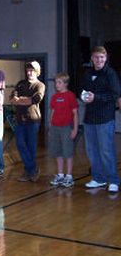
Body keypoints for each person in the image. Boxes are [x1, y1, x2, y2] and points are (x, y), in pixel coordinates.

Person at [81, 46, 120, 193]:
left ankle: (114, 180)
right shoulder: (88, 73)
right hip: (89, 119)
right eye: (96, 57)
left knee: (106, 151)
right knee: (92, 151)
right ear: (92, 58)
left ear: (106, 58)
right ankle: (98, 178)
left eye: (102, 57)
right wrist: (84, 96)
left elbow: (115, 95)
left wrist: (96, 97)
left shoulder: (110, 74)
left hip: (105, 119)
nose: (99, 60)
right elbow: (82, 90)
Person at [10, 61, 45, 182]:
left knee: (31, 147)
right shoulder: (21, 84)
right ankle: (32, 169)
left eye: (32, 70)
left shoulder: (40, 85)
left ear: (37, 72)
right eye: (28, 70)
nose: (29, 73)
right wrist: (22, 100)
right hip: (20, 119)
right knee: (20, 144)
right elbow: (12, 98)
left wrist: (21, 100)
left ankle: (29, 170)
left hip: (33, 120)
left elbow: (35, 99)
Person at [49, 72, 78, 187]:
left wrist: (75, 129)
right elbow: (53, 112)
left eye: (59, 82)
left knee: (68, 152)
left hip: (66, 128)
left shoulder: (70, 96)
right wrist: (50, 126)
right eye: (56, 82)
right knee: (58, 152)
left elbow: (75, 113)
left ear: (65, 83)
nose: (57, 84)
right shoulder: (54, 97)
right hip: (55, 128)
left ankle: (69, 176)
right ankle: (60, 175)